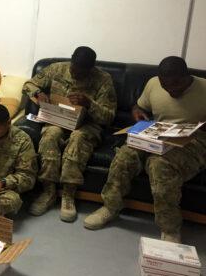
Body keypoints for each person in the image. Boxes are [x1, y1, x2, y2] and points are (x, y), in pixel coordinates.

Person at [84, 56, 206, 243]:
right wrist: (137, 114)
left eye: (176, 86)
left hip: (192, 141)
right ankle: (110, 207)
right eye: (166, 87)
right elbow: (139, 106)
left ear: (186, 77)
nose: (171, 91)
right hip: (156, 133)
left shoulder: (204, 88)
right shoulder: (154, 84)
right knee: (125, 156)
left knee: (159, 165)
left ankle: (170, 228)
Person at [24, 46, 116, 222]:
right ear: (71, 60)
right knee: (50, 135)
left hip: (86, 125)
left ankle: (68, 195)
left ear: (91, 69)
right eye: (74, 69)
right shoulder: (56, 68)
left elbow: (109, 116)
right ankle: (48, 191)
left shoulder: (103, 80)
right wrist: (39, 93)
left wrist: (90, 104)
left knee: (77, 138)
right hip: (58, 119)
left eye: (81, 72)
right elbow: (29, 84)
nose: (76, 74)